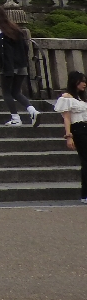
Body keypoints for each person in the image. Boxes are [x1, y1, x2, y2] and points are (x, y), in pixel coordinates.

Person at [0, 5, 39, 127]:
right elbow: (25, 47)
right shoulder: (15, 28)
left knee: (6, 92)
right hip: (21, 65)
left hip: (8, 65)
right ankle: (32, 110)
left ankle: (15, 118)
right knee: (16, 92)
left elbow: (0, 46)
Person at [55, 71, 87, 203]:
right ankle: (85, 194)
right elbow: (67, 118)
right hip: (78, 129)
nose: (84, 84)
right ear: (75, 82)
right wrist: (69, 136)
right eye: (82, 81)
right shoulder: (67, 97)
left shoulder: (80, 98)